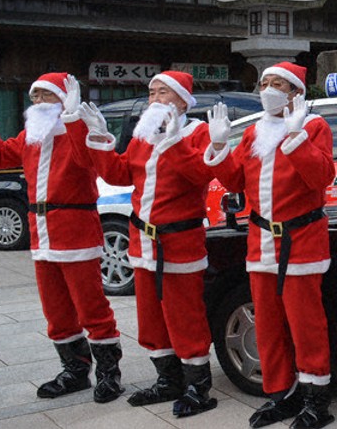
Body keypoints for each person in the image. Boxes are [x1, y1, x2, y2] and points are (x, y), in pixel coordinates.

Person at [0, 74, 124, 403]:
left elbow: (84, 160)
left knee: (92, 308)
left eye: (45, 96)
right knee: (56, 310)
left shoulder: (79, 133)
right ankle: (75, 371)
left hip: (76, 229)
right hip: (43, 232)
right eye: (34, 97)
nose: (37, 103)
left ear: (63, 100)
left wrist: (75, 119)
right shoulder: (31, 136)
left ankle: (109, 374)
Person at [204, 62, 336, 429]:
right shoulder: (254, 132)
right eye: (265, 82)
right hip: (261, 241)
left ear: (296, 92)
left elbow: (321, 177)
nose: (269, 89)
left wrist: (296, 140)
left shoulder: (314, 127)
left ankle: (316, 399)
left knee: (305, 324)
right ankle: (282, 394)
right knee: (267, 323)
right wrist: (218, 146)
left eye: (278, 83)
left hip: (301, 241)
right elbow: (235, 180)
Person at [81, 71, 217, 416]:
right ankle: (167, 380)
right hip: (143, 242)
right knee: (151, 317)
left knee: (185, 316)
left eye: (163, 93)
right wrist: (100, 138)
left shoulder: (197, 133)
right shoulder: (143, 135)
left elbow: (201, 174)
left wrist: (174, 144)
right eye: (152, 92)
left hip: (180, 242)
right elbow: (119, 174)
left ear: (183, 101)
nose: (155, 99)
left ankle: (198, 387)